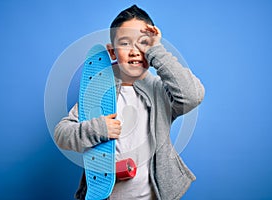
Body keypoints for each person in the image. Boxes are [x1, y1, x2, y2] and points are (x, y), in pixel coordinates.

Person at [54, 5, 205, 200]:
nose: (135, 51)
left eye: (143, 43)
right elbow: (61, 133)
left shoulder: (161, 92)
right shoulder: (98, 93)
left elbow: (192, 95)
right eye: (125, 43)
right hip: (106, 195)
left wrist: (157, 51)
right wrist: (97, 129)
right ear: (112, 52)